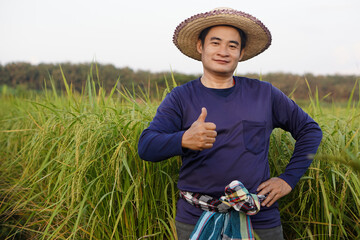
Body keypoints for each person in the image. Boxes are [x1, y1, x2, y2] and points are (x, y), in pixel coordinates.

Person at [138, 7, 322, 240]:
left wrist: (288, 179)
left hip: (259, 219)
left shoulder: (264, 94)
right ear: (200, 46)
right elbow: (146, 146)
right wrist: (184, 139)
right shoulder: (180, 97)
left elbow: (310, 130)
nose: (223, 51)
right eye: (215, 43)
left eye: (232, 46)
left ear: (241, 52)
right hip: (196, 219)